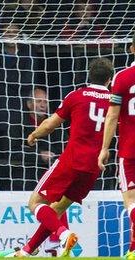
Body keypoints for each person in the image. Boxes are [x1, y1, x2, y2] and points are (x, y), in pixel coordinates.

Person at [16, 58, 115, 257]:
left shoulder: (77, 95)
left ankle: (63, 233)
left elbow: (51, 124)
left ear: (89, 75)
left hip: (71, 161)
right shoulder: (114, 100)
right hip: (93, 167)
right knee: (57, 210)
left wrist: (34, 134)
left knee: (35, 203)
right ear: (109, 79)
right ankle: (27, 251)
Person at [98, 33, 135, 259]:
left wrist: (104, 148)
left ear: (132, 49)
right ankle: (133, 250)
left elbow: (112, 116)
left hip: (130, 150)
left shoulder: (122, 77)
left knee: (131, 201)